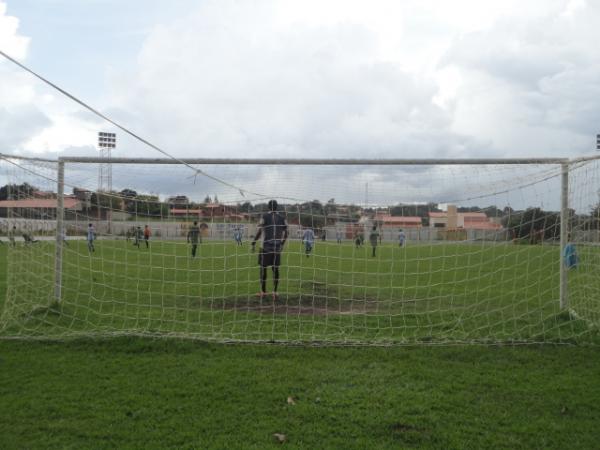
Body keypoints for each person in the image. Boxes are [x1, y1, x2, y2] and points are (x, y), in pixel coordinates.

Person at [251, 199, 288, 299]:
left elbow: (260, 231)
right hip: (276, 248)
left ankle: (263, 292)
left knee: (263, 268)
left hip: (265, 247)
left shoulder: (265, 216)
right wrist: (282, 244)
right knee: (275, 269)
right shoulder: (282, 218)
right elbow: (286, 233)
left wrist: (253, 242)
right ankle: (275, 292)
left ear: (268, 207)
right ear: (277, 207)